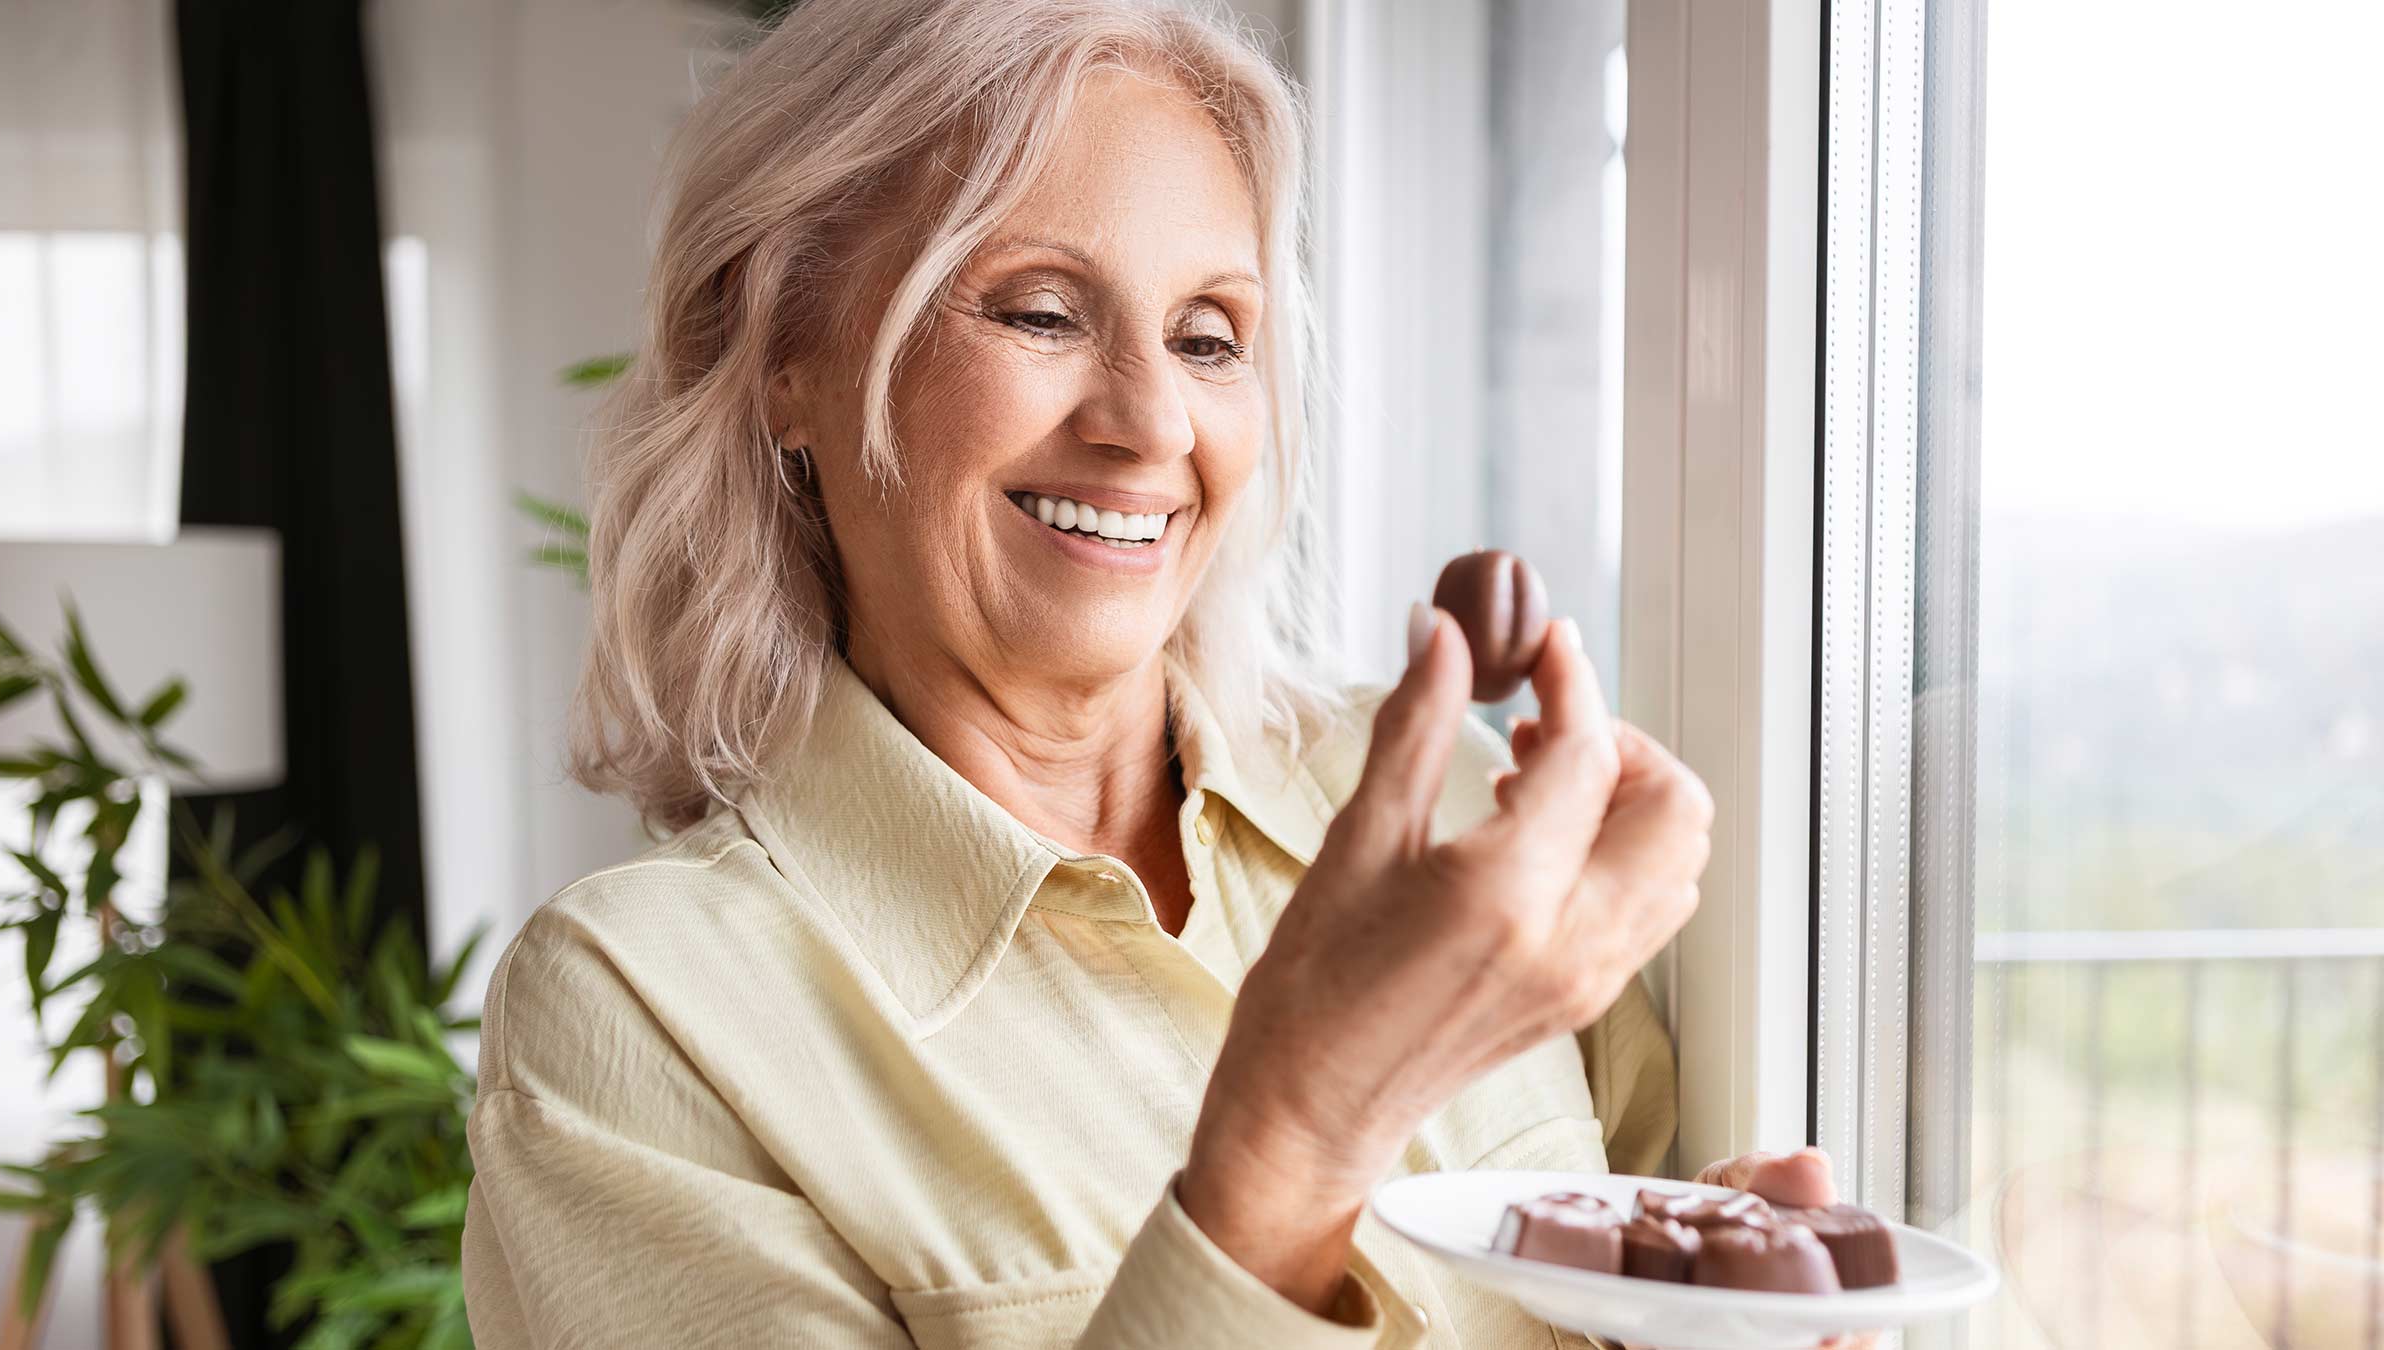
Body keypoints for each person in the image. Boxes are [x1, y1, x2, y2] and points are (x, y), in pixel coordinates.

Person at [459, 1, 1858, 1345]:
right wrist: (1306, 1122)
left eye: (1207, 338)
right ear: (786, 356)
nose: (1152, 422)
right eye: (1038, 313)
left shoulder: (1456, 816)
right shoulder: (636, 1021)